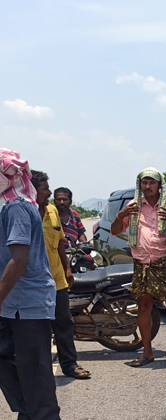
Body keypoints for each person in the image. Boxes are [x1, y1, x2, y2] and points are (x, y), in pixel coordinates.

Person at [0, 149, 61, 419]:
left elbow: (20, 260)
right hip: (14, 304)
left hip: (27, 303)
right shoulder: (14, 204)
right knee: (11, 364)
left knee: (35, 376)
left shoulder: (16, 207)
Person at [110, 168, 166, 367]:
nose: (148, 186)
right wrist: (121, 215)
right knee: (144, 306)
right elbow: (116, 231)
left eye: (152, 183)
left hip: (165, 263)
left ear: (160, 185)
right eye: (145, 183)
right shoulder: (133, 206)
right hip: (141, 264)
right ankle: (147, 352)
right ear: (140, 185)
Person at [32, 170, 90, 379]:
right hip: (32, 282)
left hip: (56, 278)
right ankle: (39, 370)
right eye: (45, 188)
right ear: (32, 189)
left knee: (64, 323)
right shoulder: (22, 211)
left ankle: (70, 365)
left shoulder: (52, 211)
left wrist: (66, 269)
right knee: (38, 328)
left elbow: (59, 242)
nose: (49, 192)